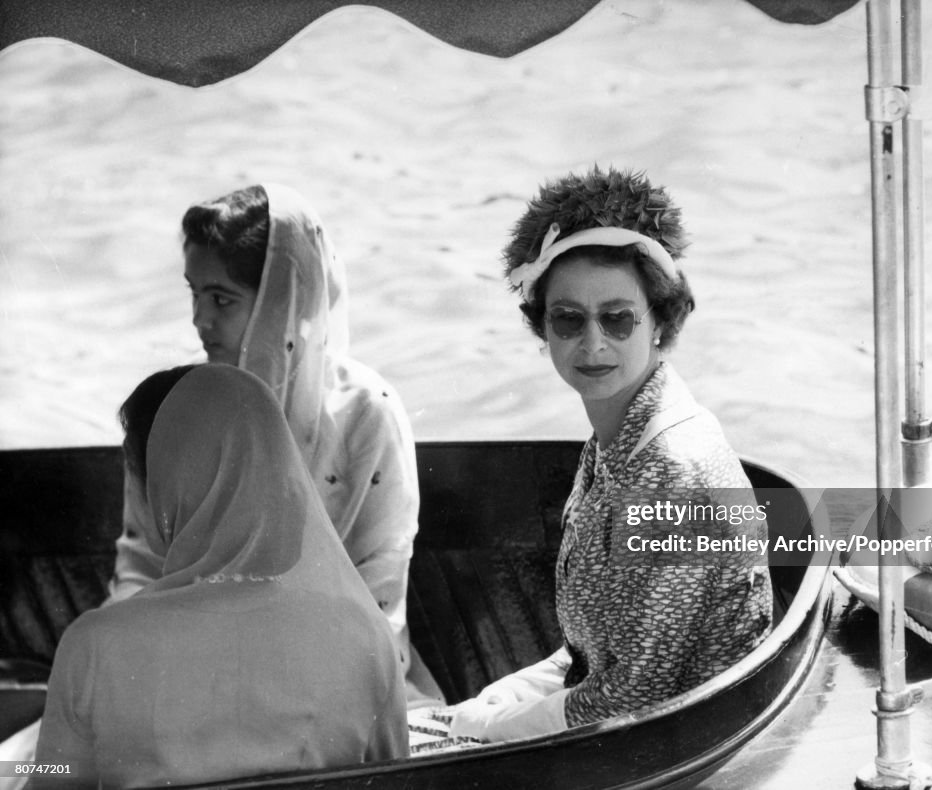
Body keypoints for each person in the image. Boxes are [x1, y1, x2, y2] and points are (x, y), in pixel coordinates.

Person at [449, 166, 774, 742]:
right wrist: (505, 700)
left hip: (690, 751)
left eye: (618, 318)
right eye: (568, 319)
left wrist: (491, 730)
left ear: (660, 320)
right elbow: (596, 654)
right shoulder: (618, 439)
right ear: (542, 327)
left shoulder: (671, 468)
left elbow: (636, 696)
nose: (592, 344)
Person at [107, 184, 437, 702]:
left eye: (221, 299)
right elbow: (140, 567)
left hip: (337, 675)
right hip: (185, 667)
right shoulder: (175, 410)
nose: (199, 319)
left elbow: (378, 589)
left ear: (283, 300)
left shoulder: (367, 411)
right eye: (194, 293)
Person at [32, 365, 407, 787]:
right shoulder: (364, 635)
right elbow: (400, 778)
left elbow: (52, 778)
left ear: (165, 483)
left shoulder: (96, 645)